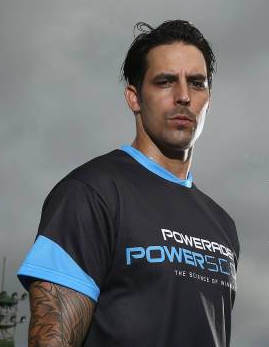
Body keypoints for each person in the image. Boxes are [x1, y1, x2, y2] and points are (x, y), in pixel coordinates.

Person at [16, 20, 240, 347]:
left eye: (196, 83)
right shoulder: (91, 193)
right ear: (134, 97)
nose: (183, 97)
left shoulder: (223, 226)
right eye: (165, 82)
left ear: (208, 98)